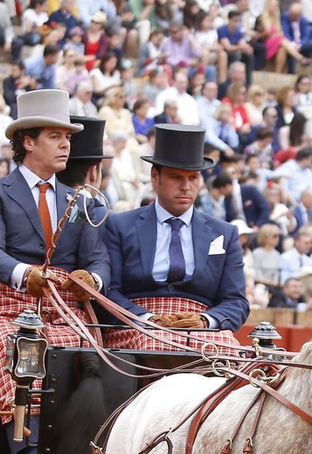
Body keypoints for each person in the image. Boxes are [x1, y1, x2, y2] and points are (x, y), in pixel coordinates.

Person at [0, 88, 109, 445]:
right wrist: (25, 274)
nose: (65, 145)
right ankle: (26, 453)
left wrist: (93, 278)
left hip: (61, 307)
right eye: (55, 137)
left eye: (67, 137)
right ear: (27, 142)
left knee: (92, 355)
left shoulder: (78, 199)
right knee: (20, 348)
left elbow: (98, 257)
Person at [101, 124, 247, 352]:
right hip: (136, 327)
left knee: (235, 358)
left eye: (194, 177)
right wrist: (147, 318)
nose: (186, 187)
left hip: (203, 330)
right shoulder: (119, 225)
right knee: (154, 346)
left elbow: (236, 301)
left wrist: (205, 321)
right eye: (176, 177)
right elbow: (108, 292)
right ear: (155, 177)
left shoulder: (224, 233)